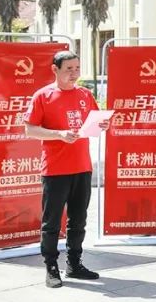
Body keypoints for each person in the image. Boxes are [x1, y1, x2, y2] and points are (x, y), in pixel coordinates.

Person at [25, 50, 111, 288]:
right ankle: (51, 267)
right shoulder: (43, 96)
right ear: (55, 69)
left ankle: (74, 264)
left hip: (82, 166)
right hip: (55, 169)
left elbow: (93, 122)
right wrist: (59, 134)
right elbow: (30, 130)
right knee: (51, 222)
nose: (74, 74)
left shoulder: (85, 94)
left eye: (77, 68)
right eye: (68, 69)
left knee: (78, 220)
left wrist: (102, 124)